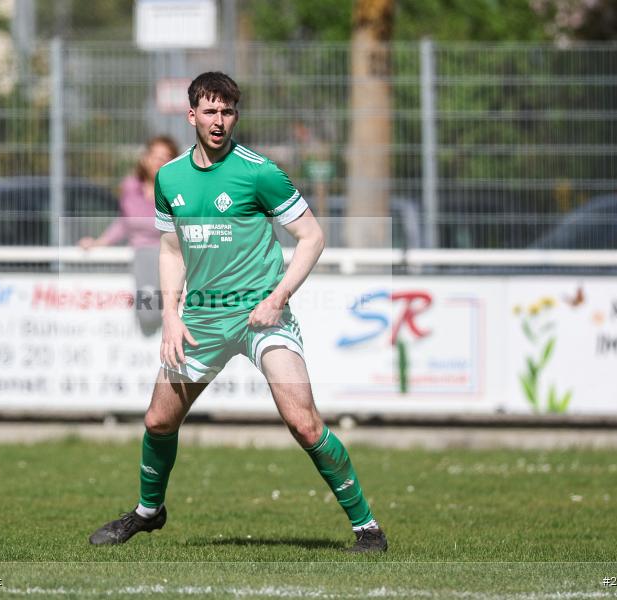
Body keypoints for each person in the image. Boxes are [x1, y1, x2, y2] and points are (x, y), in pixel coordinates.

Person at [88, 72, 387, 553]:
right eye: (210, 111)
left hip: (260, 315)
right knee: (158, 422)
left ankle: (367, 527)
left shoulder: (260, 172)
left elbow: (312, 238)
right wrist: (171, 314)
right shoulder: (169, 177)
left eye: (227, 111)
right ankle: (148, 512)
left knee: (303, 422)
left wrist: (278, 297)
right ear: (192, 116)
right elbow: (171, 250)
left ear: (236, 116)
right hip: (203, 317)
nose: (219, 121)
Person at [79, 135, 180, 336]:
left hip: (172, 255)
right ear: (145, 158)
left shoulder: (178, 189)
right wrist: (99, 242)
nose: (159, 161)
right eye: (155, 156)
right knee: (149, 313)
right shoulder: (130, 187)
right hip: (143, 256)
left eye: (166, 157)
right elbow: (125, 222)